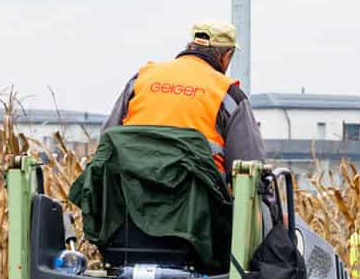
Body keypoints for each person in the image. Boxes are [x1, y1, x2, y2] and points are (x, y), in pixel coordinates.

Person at [102, 22, 266, 176]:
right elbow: (249, 165)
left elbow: (107, 139)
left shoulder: (142, 79)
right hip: (198, 202)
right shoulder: (228, 94)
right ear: (227, 56)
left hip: (131, 193)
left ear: (191, 45)